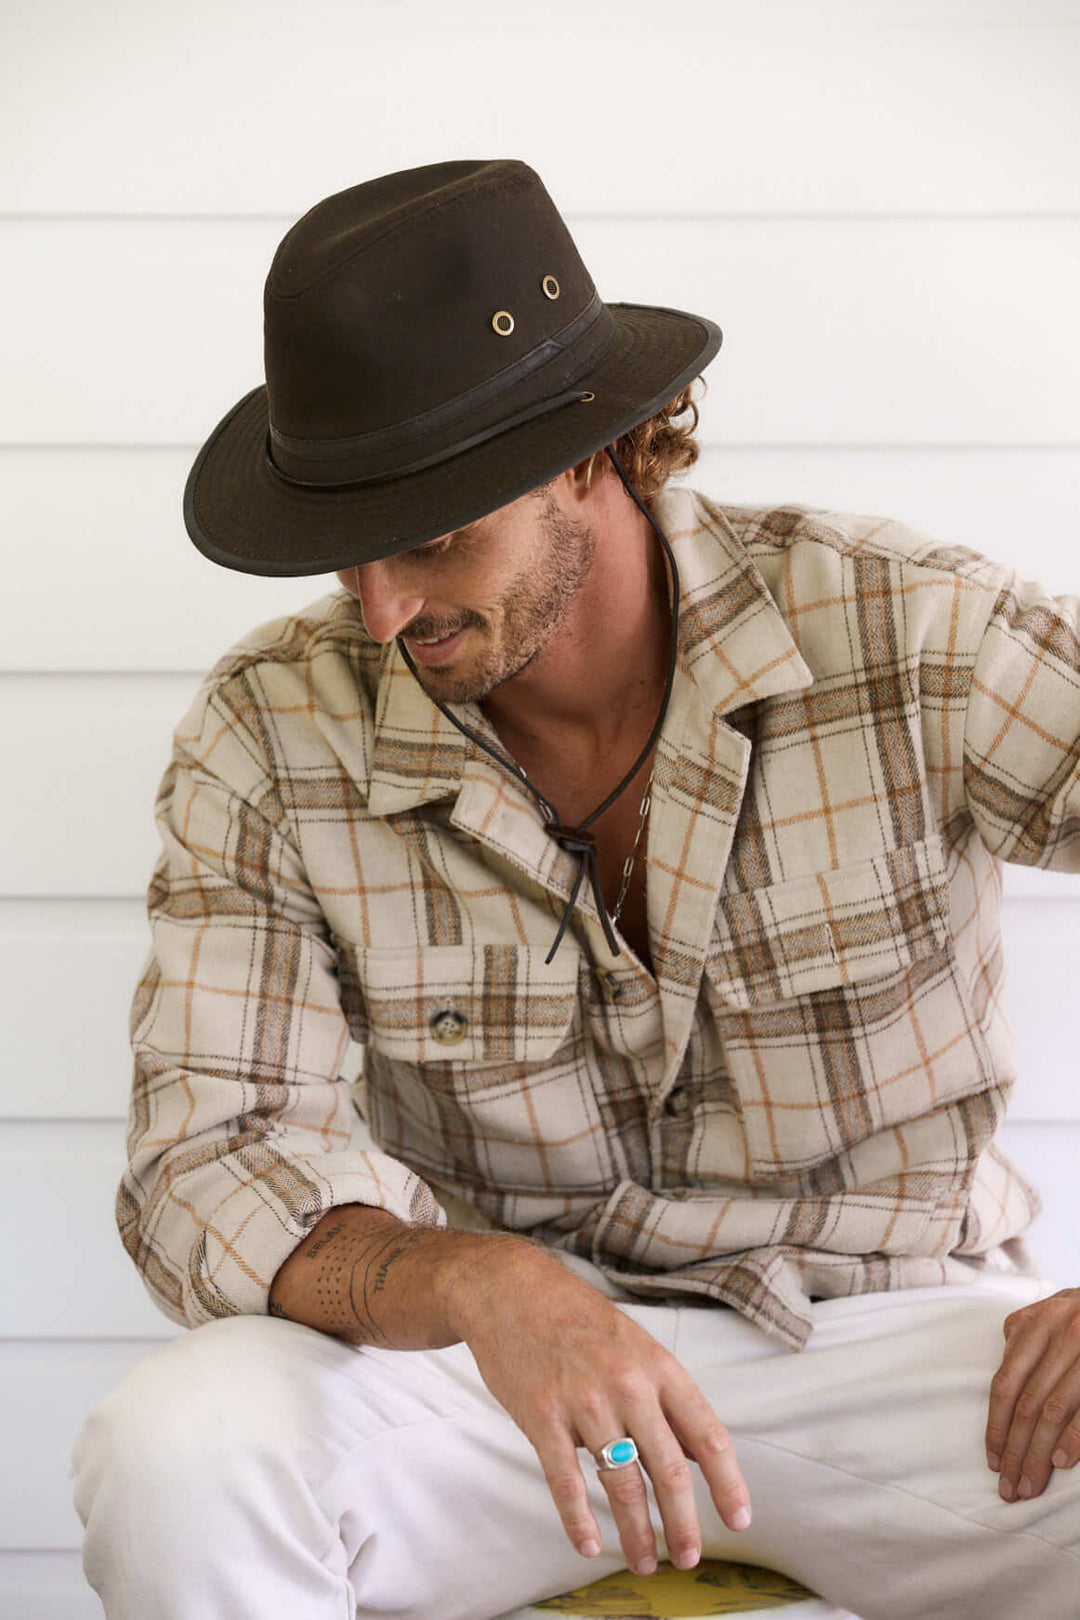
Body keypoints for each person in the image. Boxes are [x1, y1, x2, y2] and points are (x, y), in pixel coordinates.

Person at [72, 159, 1080, 1620]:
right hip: (495, 1386)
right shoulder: (271, 731)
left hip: (901, 1350)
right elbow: (205, 1161)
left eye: (432, 537)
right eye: (347, 550)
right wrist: (481, 1288)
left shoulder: (908, 634)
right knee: (180, 1450)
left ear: (590, 456)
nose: (383, 611)